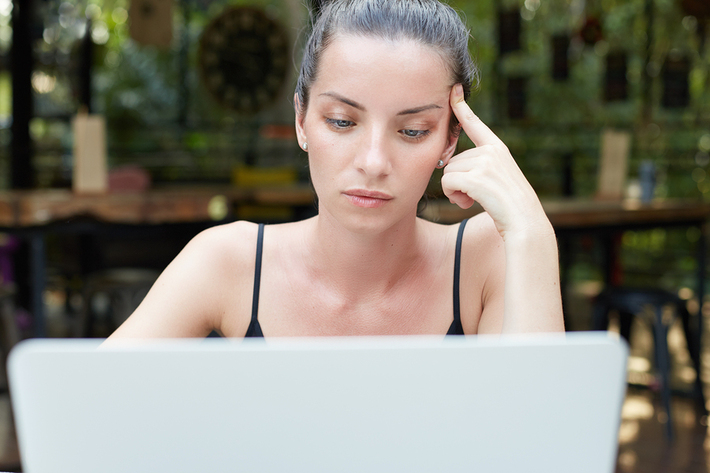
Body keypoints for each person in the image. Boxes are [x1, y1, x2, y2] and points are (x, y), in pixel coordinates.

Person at [106, 0, 563, 341]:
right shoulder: (230, 261)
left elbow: (548, 447)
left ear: (449, 139)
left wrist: (533, 234)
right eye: (342, 122)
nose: (373, 162)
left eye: (412, 131)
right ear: (301, 121)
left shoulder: (487, 258)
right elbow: (84, 408)